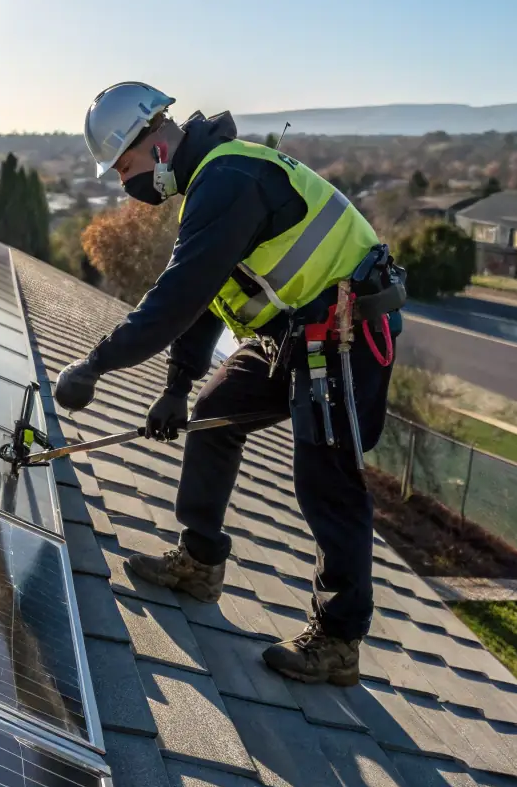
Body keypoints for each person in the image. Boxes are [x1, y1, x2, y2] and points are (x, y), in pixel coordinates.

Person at [54, 82, 405, 687]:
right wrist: (177, 386)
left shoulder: (228, 179)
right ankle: (200, 560)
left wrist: (95, 364)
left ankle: (340, 639)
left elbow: (175, 299)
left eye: (127, 167)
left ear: (156, 145)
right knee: (216, 412)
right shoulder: (210, 184)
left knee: (326, 474)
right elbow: (211, 295)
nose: (125, 184)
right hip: (294, 331)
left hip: (344, 328)